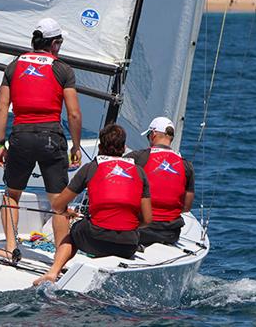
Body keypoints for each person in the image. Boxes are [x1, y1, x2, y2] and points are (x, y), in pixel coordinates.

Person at [0, 17, 82, 261]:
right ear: (53, 44)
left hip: (20, 137)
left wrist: (1, 143)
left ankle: (11, 248)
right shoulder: (63, 69)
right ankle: (59, 260)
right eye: (60, 42)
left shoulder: (13, 66)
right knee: (59, 203)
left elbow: (2, 109)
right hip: (51, 138)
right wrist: (76, 145)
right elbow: (74, 113)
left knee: (12, 195)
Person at [35, 124, 152, 284]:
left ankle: (53, 272)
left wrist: (66, 212)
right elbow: (147, 219)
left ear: (100, 146)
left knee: (74, 232)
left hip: (95, 240)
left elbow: (57, 205)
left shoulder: (91, 168)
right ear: (124, 148)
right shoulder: (140, 172)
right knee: (102, 230)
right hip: (128, 244)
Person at [125, 116, 195, 246]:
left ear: (153, 134)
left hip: (140, 231)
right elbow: (186, 207)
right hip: (170, 234)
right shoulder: (187, 166)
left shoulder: (138, 157)